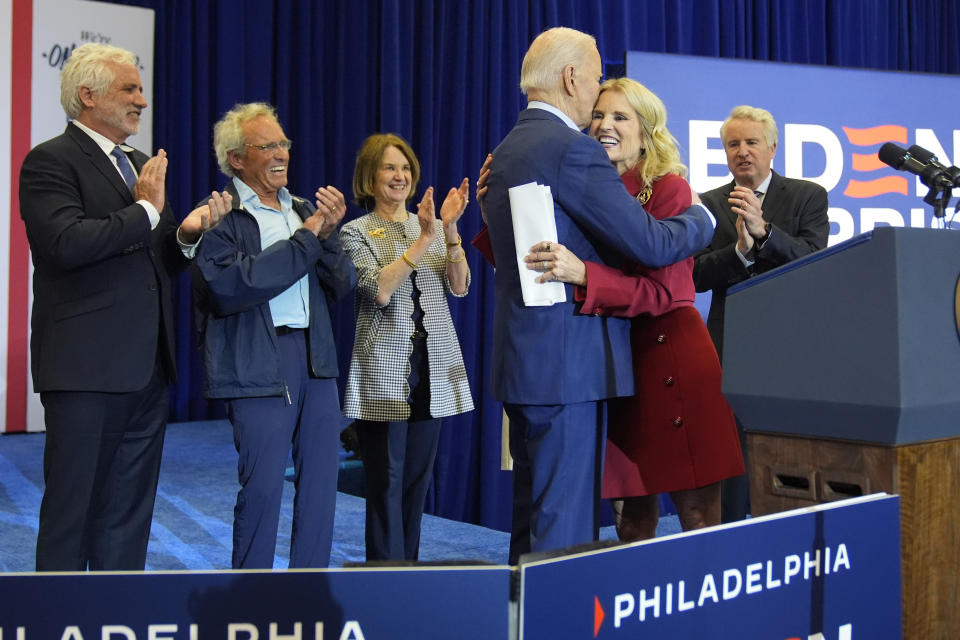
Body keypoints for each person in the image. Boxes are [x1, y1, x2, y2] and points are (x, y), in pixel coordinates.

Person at [480, 27, 715, 563]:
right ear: (570, 77)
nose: (595, 92)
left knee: (534, 523)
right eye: (594, 77)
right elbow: (653, 243)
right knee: (560, 536)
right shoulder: (571, 150)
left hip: (528, 363)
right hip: (567, 367)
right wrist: (704, 218)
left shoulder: (511, 147)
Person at [18, 42, 230, 571]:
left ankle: (116, 616)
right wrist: (144, 211)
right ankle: (60, 623)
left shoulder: (138, 163)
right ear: (87, 96)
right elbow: (65, 243)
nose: (142, 101)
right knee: (73, 514)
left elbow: (162, 258)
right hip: (85, 370)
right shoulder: (50, 160)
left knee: (128, 516)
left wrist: (186, 233)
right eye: (129, 89)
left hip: (147, 369)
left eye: (141, 89)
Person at [523, 78, 744, 540]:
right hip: (613, 367)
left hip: (671, 360)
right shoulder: (581, 185)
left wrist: (586, 275)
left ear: (647, 131)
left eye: (620, 117)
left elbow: (664, 293)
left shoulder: (670, 189)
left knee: (699, 520)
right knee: (630, 522)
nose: (605, 125)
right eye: (599, 115)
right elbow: (538, 260)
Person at [192, 103, 356, 569]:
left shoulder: (305, 209)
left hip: (316, 360)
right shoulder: (221, 217)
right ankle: (252, 603)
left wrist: (328, 235)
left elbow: (340, 284)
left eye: (284, 143)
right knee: (263, 488)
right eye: (269, 145)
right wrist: (308, 238)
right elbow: (234, 287)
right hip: (259, 364)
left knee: (322, 487)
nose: (282, 152)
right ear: (237, 159)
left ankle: (307, 594)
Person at [339, 133, 473, 562]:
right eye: (389, 168)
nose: (400, 176)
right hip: (383, 375)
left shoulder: (429, 226)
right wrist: (423, 240)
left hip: (432, 372)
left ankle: (409, 575)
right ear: (370, 176)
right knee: (385, 484)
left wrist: (449, 232)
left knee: (416, 484)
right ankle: (384, 578)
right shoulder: (355, 232)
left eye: (405, 168)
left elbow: (460, 285)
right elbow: (378, 290)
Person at [693, 105, 829, 522]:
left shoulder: (807, 196)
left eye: (752, 142)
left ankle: (789, 535)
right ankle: (733, 536)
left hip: (790, 344)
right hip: (729, 344)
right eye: (733, 144)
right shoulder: (707, 204)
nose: (743, 152)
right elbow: (696, 275)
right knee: (732, 453)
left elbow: (814, 259)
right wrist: (738, 252)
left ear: (772, 147)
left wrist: (765, 234)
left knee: (788, 450)